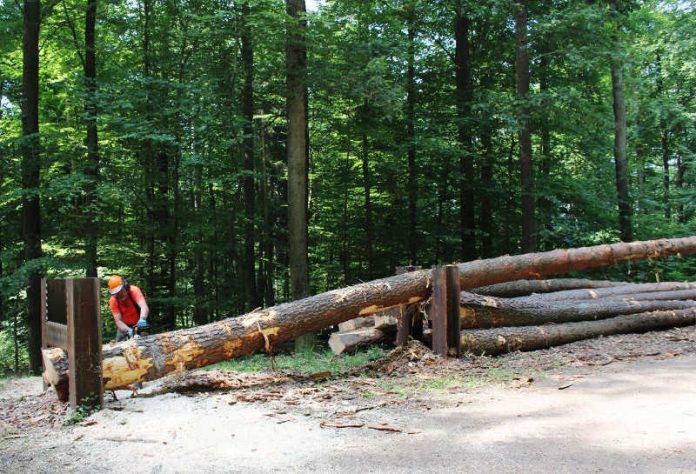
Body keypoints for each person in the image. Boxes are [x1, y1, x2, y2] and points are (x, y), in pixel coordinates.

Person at [107, 275, 150, 342]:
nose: (119, 294)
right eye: (116, 293)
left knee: (146, 343)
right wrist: (129, 330)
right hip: (125, 325)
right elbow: (118, 321)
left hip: (140, 321)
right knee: (119, 345)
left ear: (125, 286)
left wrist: (142, 318)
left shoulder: (134, 290)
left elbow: (144, 307)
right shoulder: (113, 300)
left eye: (120, 291)